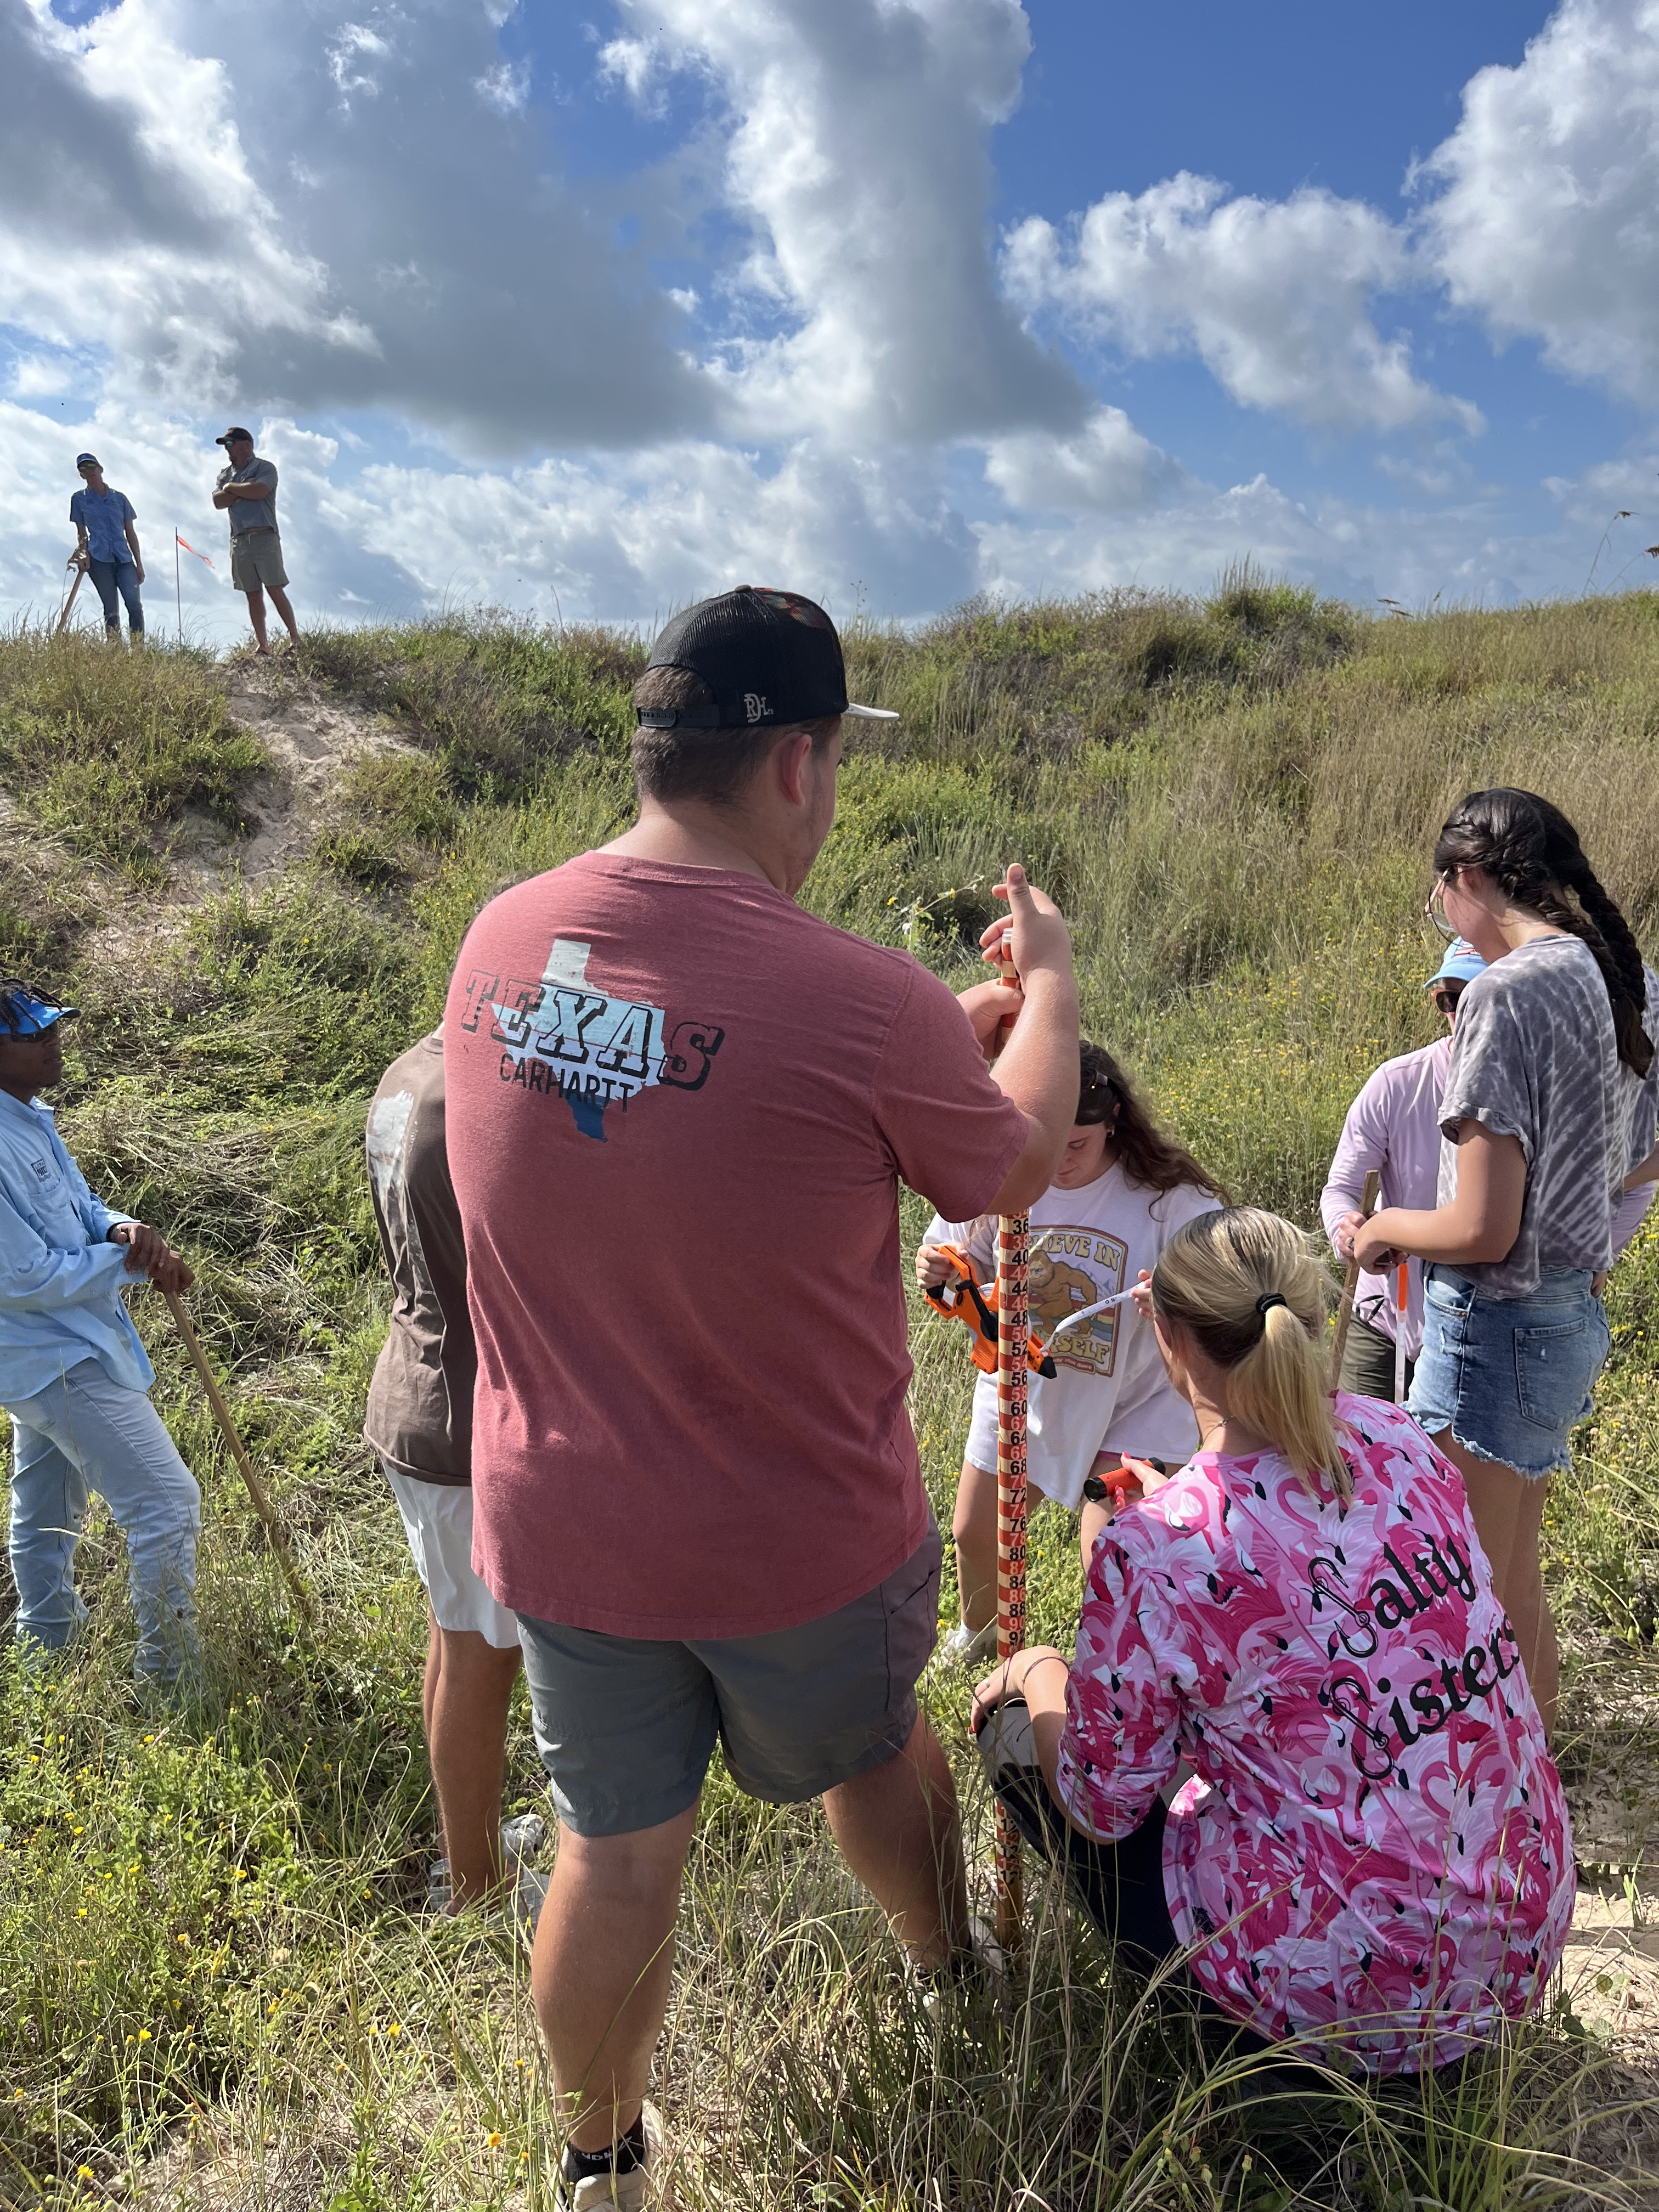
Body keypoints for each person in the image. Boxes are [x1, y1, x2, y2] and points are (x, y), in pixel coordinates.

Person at [442, 585, 1080, 2208]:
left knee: (612, 1852)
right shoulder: (845, 993)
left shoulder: (506, 942)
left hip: (570, 1529)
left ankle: (598, 2162)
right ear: (798, 767)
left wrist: (918, 1047)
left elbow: (656, 1090)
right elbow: (1004, 1165)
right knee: (877, 1759)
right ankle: (954, 1981)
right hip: (797, 1534)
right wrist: (1047, 995)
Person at [972, 1205, 1575, 2077]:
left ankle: (1265, 2079)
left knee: (1013, 1730)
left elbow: (1100, 1808)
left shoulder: (1160, 1548)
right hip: (1519, 1932)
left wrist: (1038, 1669)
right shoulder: (1398, 1437)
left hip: (1360, 1994)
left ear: (1163, 1333)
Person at [1353, 788, 1652, 1737]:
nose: (1444, 919)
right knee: (1511, 1573)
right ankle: (1537, 1791)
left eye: (1439, 897)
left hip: (1493, 1322)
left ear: (1467, 877)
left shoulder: (1504, 990)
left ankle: (1484, 1829)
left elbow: (1480, 1228)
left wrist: (1386, 1227)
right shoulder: (1608, 975)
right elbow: (1639, 1156)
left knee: (1457, 1595)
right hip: (1563, 1315)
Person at [918, 1040, 1226, 1664]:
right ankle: (978, 1641)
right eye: (1045, 1142)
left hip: (1135, 1399)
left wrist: (1176, 1295)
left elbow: (1224, 1277)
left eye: (1077, 1145)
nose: (1057, 1162)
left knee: (1110, 1555)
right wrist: (941, 1269)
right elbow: (960, 1257)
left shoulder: (1167, 1198)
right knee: (974, 1532)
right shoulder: (1004, 1170)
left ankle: (1110, 1674)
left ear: (1113, 1121)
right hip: (1022, 1386)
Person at [364, 1032, 542, 1920]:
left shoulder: (409, 1073)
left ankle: (461, 1843)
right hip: (461, 1421)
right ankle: (473, 1887)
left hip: (414, 1391)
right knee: (483, 1660)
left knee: (454, 1640)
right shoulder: (472, 1102)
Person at [0, 981, 200, 1685]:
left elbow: (78, 1205)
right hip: (50, 1353)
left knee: (46, 1501)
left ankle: (44, 1646)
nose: (52, 1041)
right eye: (30, 1036)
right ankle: (172, 1685)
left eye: (50, 1028)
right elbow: (20, 1278)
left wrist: (120, 1227)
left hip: (54, 1348)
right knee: (166, 1504)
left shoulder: (26, 1115)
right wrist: (129, 1264)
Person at [1321, 940, 1485, 1403]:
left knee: (1452, 1472)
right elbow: (1341, 1190)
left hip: (1474, 1331)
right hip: (1385, 1318)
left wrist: (1599, 1253)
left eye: (1478, 997)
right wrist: (1348, 1233)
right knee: (1359, 1458)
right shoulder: (1398, 1083)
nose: (1462, 1013)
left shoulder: (1535, 1091)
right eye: (1450, 999)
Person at [211, 428, 298, 655]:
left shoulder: (265, 468)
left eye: (231, 444)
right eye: (225, 445)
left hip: (264, 537)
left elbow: (259, 491)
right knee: (252, 593)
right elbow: (219, 501)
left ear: (247, 445)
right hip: (239, 540)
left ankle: (295, 640)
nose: (227, 449)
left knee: (274, 588)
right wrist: (240, 488)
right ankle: (263, 645)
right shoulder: (225, 475)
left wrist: (233, 490)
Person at [69, 454, 144, 644]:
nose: (89, 472)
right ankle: (115, 650)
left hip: (124, 558)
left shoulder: (119, 499)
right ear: (81, 475)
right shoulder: (79, 499)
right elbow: (81, 532)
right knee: (111, 609)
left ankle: (138, 650)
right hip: (99, 559)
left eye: (91, 467)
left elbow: (130, 532)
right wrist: (83, 552)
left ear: (100, 469)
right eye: (83, 470)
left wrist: (139, 564)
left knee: (134, 605)